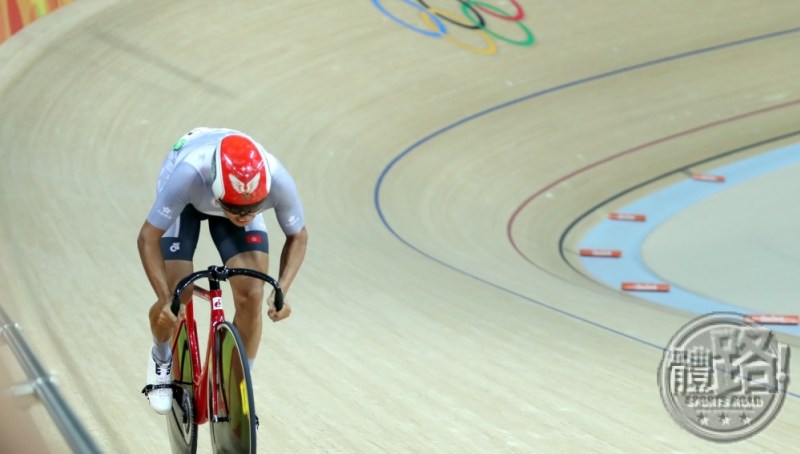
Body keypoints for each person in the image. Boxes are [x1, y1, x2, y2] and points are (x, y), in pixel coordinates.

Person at [138, 127, 307, 414]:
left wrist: (282, 290)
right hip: (191, 197)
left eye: (253, 209)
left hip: (224, 189)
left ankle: (240, 389)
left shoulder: (277, 180)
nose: (244, 218)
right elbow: (147, 237)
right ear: (219, 195)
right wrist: (165, 296)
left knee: (252, 294)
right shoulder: (188, 175)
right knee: (180, 294)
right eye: (235, 210)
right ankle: (161, 356)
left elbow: (298, 236)